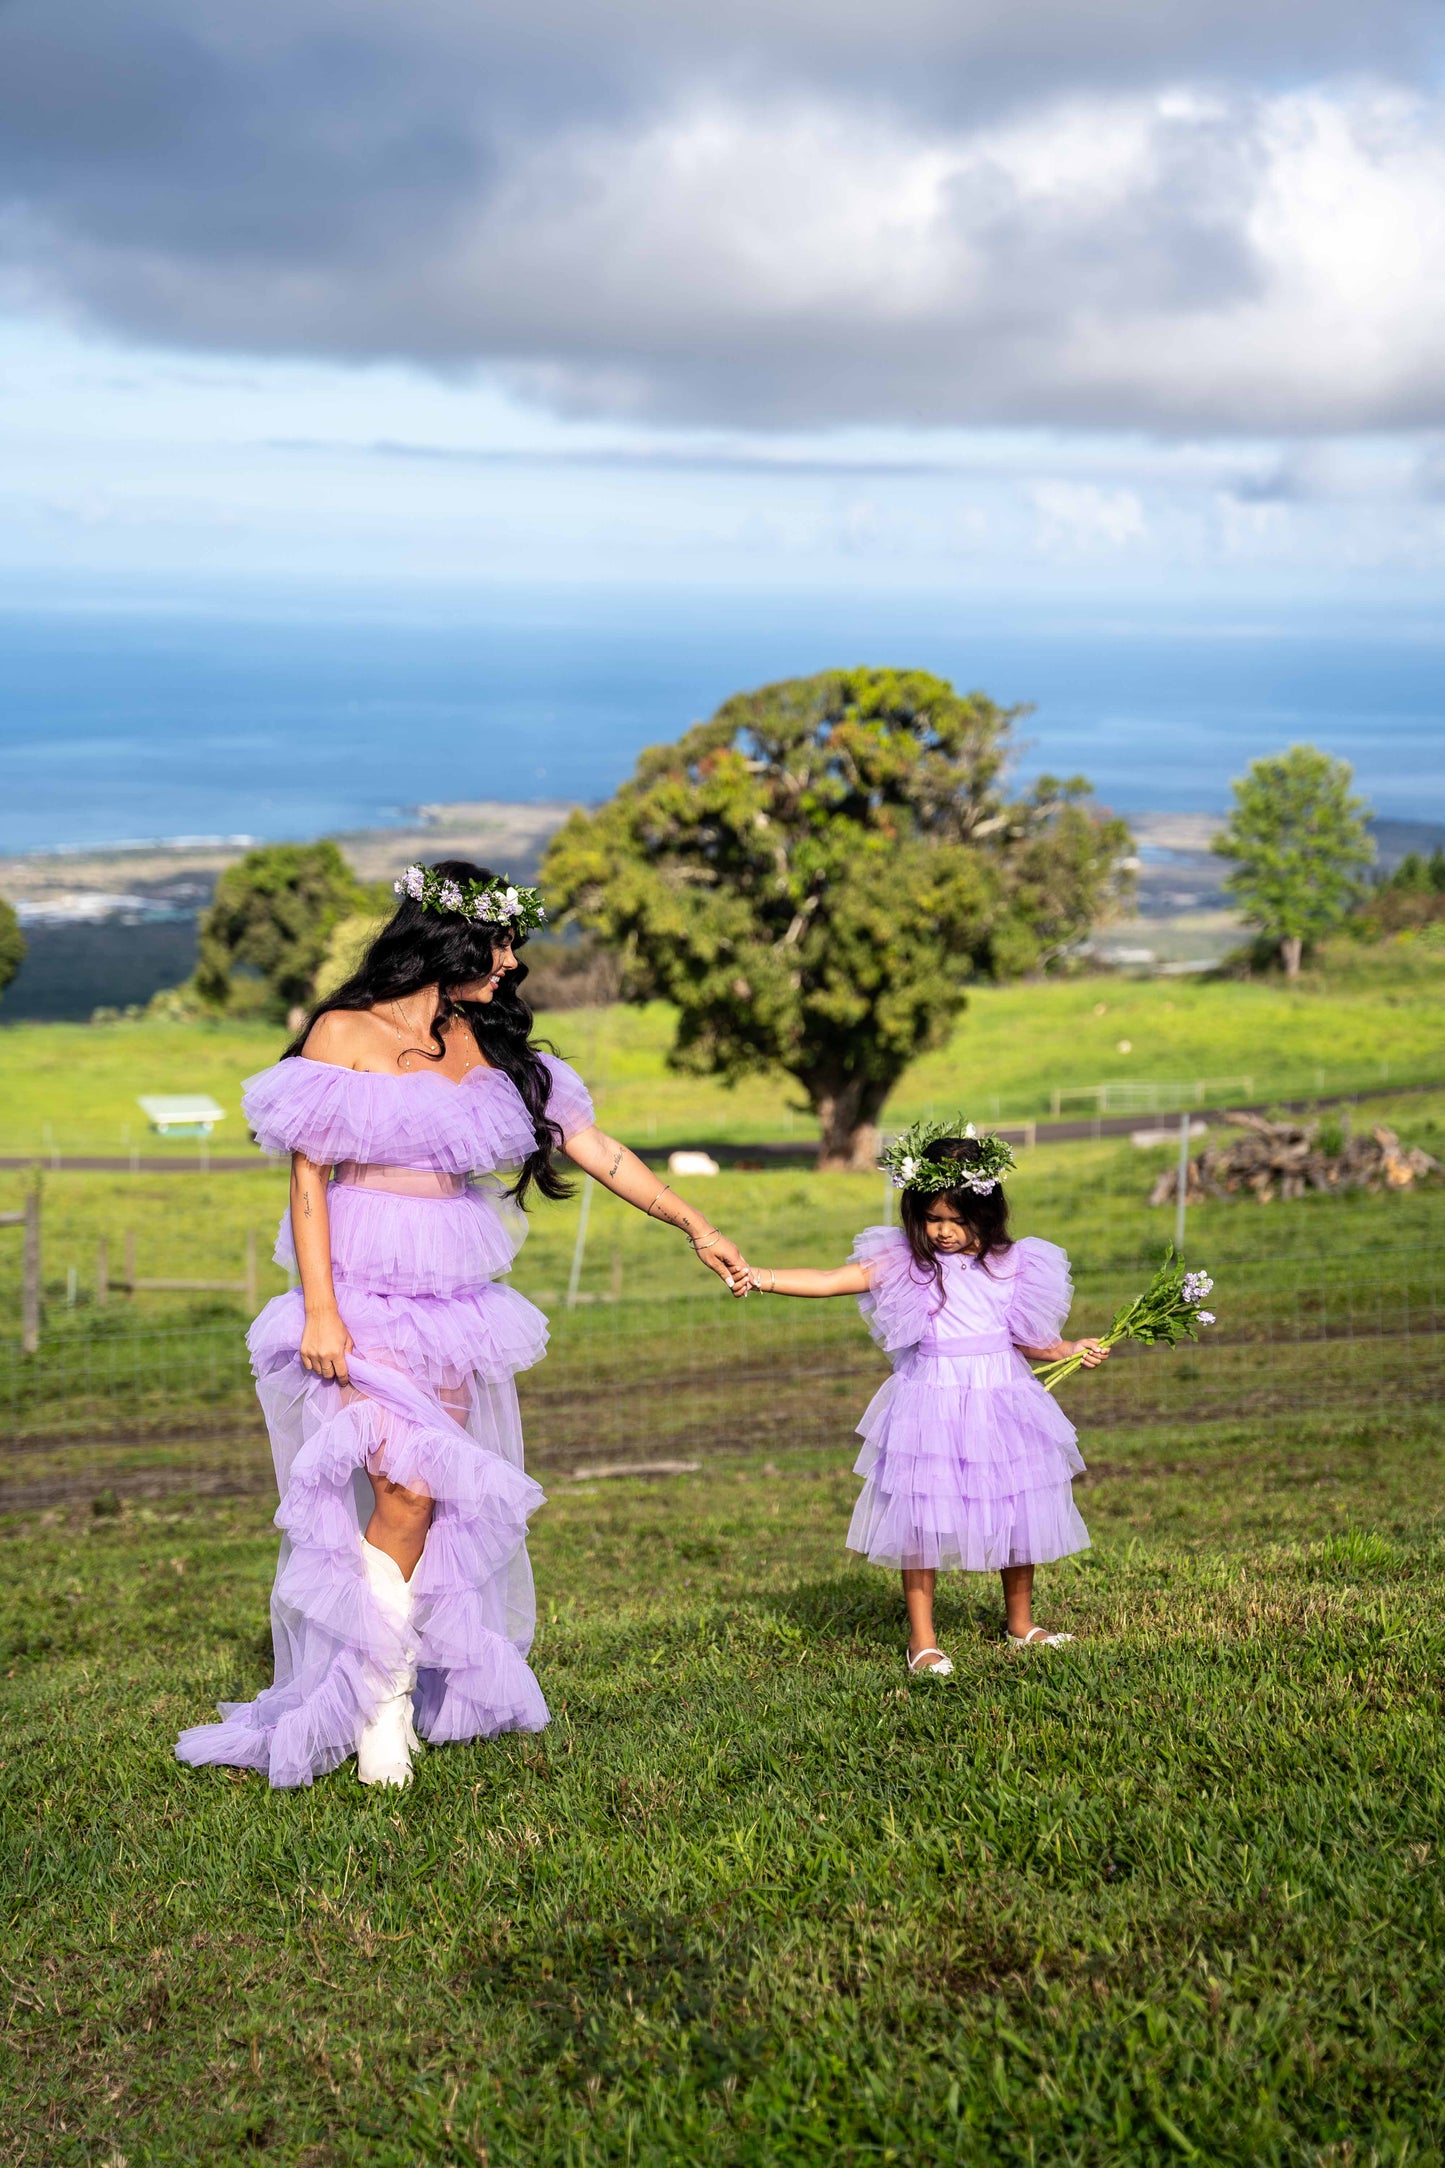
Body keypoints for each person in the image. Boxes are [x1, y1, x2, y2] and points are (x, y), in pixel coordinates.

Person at [176, 860, 747, 1789]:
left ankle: (385, 1690)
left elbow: (594, 1148)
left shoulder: (488, 1046)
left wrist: (695, 1222)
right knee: (398, 1493)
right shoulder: (342, 1032)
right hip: (356, 1293)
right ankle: (381, 1708)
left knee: (421, 1496)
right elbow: (308, 1180)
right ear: (446, 942)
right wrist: (320, 1310)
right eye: (499, 943)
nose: (511, 963)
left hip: (451, 1303)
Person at [739, 1125, 1107, 1674]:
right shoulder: (906, 1264)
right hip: (931, 1403)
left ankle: (1021, 1622)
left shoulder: (1015, 1266)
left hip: (1000, 1400)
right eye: (933, 1219)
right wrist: (761, 1276)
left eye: (957, 1221)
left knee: (1018, 1507)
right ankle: (922, 1639)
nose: (943, 1232)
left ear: (986, 1215)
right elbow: (829, 1277)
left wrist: (1067, 1348)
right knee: (922, 1518)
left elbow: (1021, 1338)